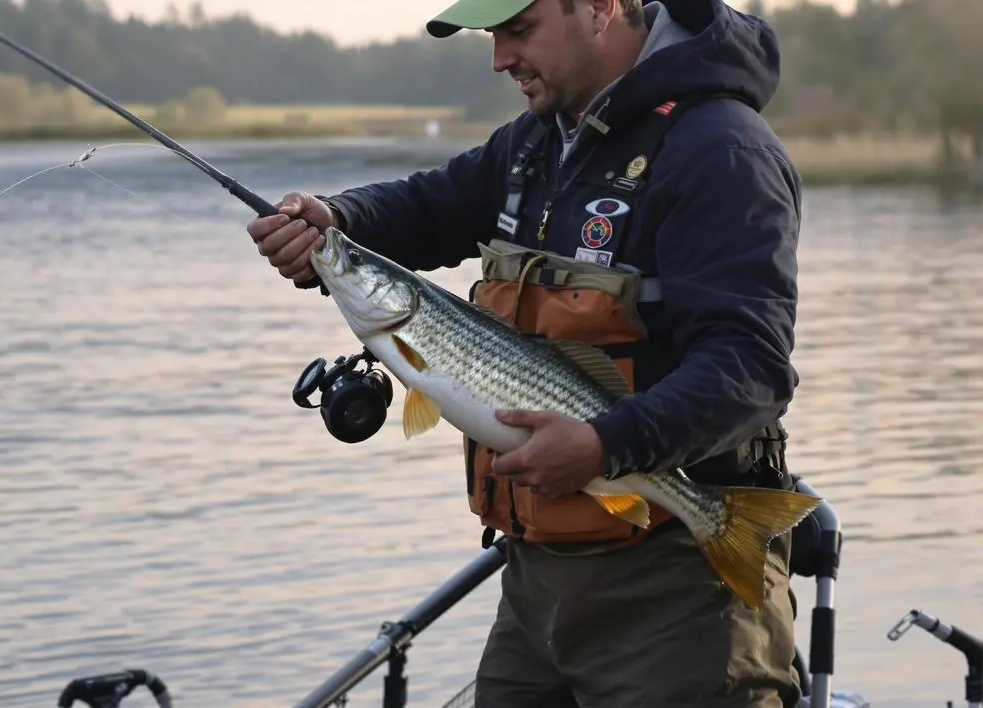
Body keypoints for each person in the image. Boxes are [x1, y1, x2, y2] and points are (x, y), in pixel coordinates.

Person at [246, 0, 804, 705]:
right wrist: (336, 223)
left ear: (601, 8)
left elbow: (750, 367)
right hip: (533, 584)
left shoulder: (720, 150)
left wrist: (605, 445)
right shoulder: (539, 141)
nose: (499, 58)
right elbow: (429, 206)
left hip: (675, 593)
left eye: (518, 29)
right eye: (491, 35)